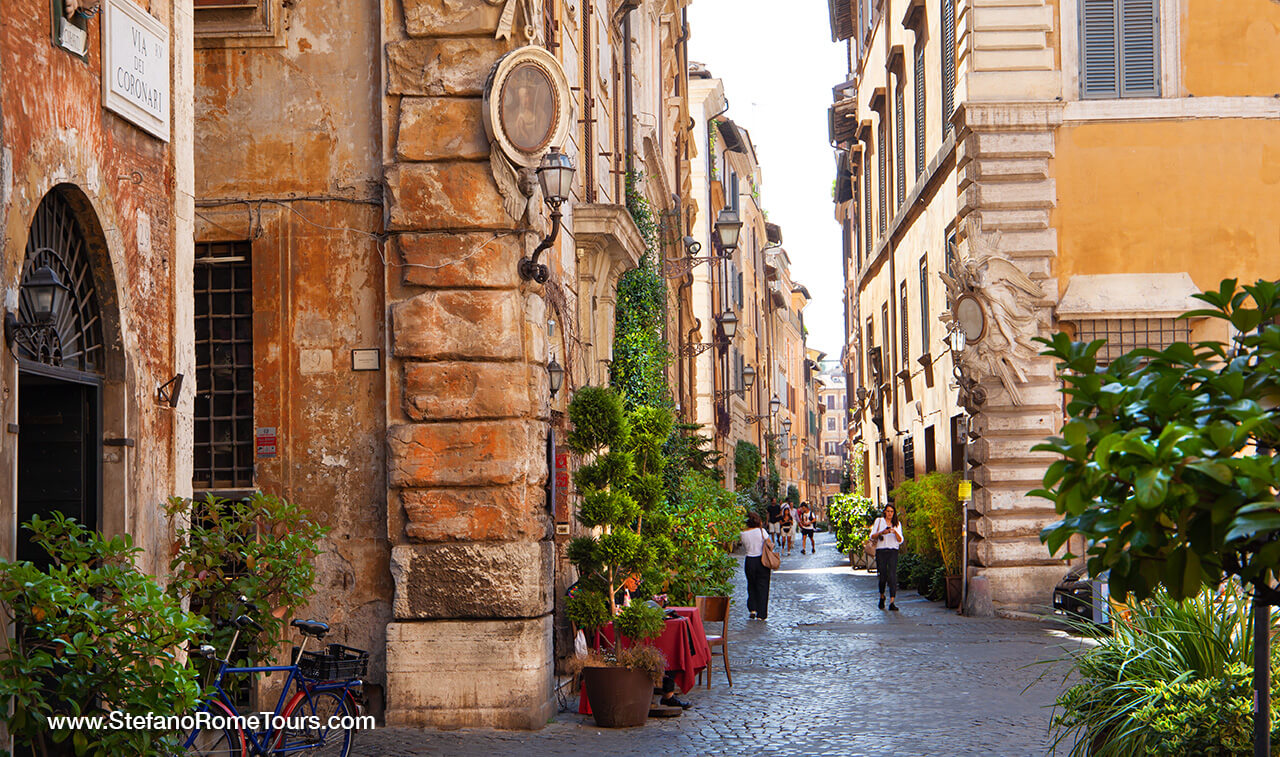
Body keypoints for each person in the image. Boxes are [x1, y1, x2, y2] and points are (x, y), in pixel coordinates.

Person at [869, 503, 904, 611]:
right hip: (881, 551)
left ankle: (892, 601)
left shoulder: (897, 524)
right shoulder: (879, 521)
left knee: (892, 575)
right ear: (885, 512)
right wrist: (882, 532)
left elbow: (900, 540)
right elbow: (872, 536)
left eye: (892, 512)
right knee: (883, 575)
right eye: (888, 511)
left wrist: (894, 532)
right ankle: (882, 596)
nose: (890, 514)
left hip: (893, 550)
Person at [740, 512, 772, 620]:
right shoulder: (761, 531)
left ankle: (752, 608)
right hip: (761, 560)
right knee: (763, 587)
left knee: (751, 584)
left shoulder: (743, 533)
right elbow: (770, 544)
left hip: (749, 560)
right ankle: (761, 614)